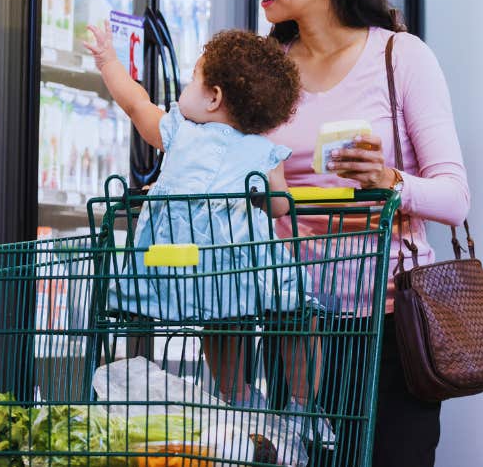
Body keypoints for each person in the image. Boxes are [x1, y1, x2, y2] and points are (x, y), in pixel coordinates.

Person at [248, 0, 470, 467]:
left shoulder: (401, 58)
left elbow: (454, 195)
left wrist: (390, 179)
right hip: (293, 325)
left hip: (390, 329)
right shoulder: (268, 73)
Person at [84, 24, 334, 443]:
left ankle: (234, 395)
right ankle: (304, 405)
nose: (184, 88)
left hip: (187, 273)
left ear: (213, 97)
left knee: (219, 320)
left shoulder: (179, 132)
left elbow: (135, 104)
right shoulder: (262, 148)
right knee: (298, 318)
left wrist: (108, 61)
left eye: (192, 79)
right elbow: (279, 206)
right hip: (249, 265)